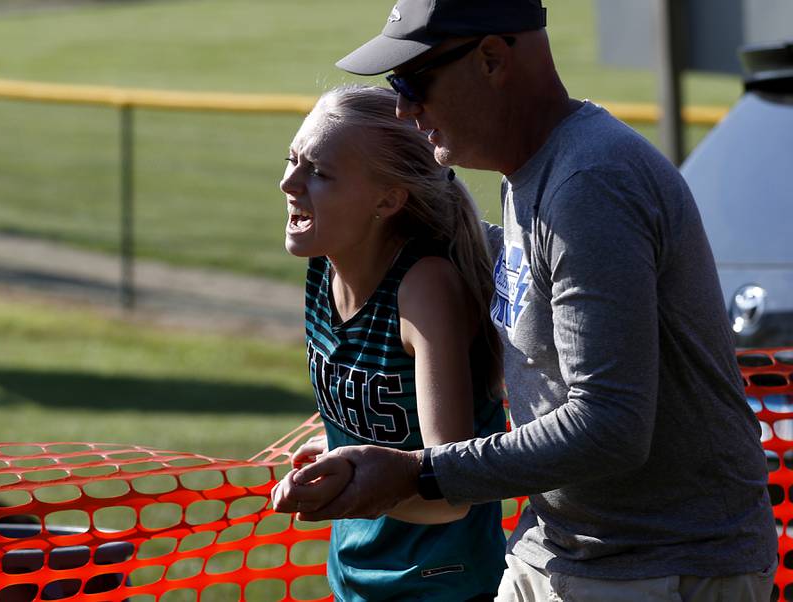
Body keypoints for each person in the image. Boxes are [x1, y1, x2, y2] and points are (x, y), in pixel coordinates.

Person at [272, 1, 779, 600]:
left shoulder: (590, 183)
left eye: (415, 80)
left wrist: (418, 472)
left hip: (658, 567)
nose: (405, 108)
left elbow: (610, 425)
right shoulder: (536, 173)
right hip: (561, 549)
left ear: (490, 59)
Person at [272, 84, 508, 601]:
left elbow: (453, 494)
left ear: (388, 198)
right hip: (356, 576)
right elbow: (385, 434)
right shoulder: (322, 266)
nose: (289, 182)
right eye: (292, 160)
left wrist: (353, 478)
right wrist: (340, 453)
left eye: (319, 172)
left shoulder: (425, 289)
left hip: (442, 586)